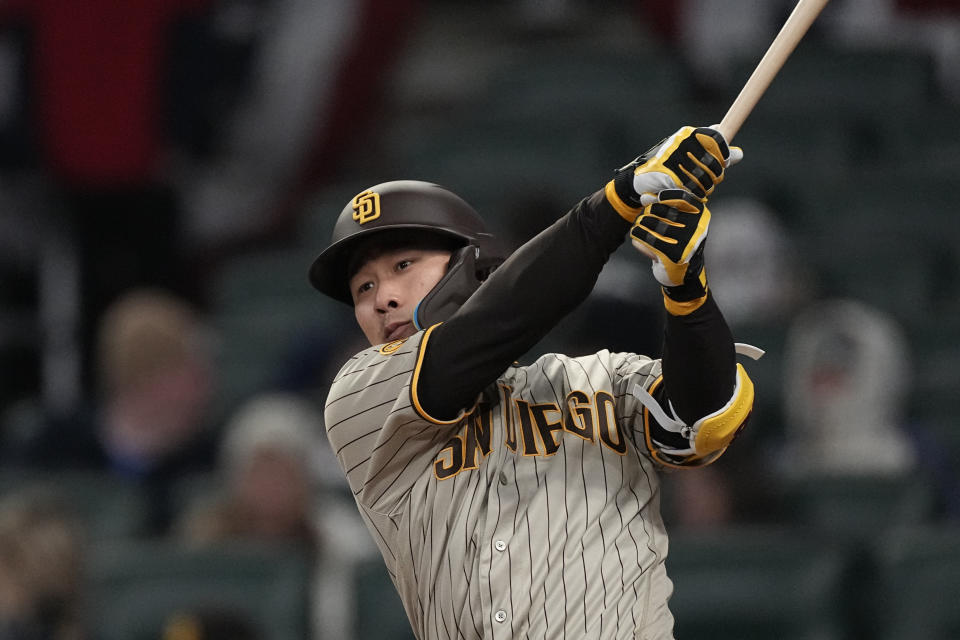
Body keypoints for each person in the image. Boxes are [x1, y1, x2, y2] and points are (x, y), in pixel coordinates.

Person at [308, 125, 759, 639]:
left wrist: (685, 287)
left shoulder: (598, 379)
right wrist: (617, 202)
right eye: (363, 286)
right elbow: (500, 321)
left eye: (403, 266)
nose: (381, 297)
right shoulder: (360, 401)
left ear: (469, 267)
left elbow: (704, 419)